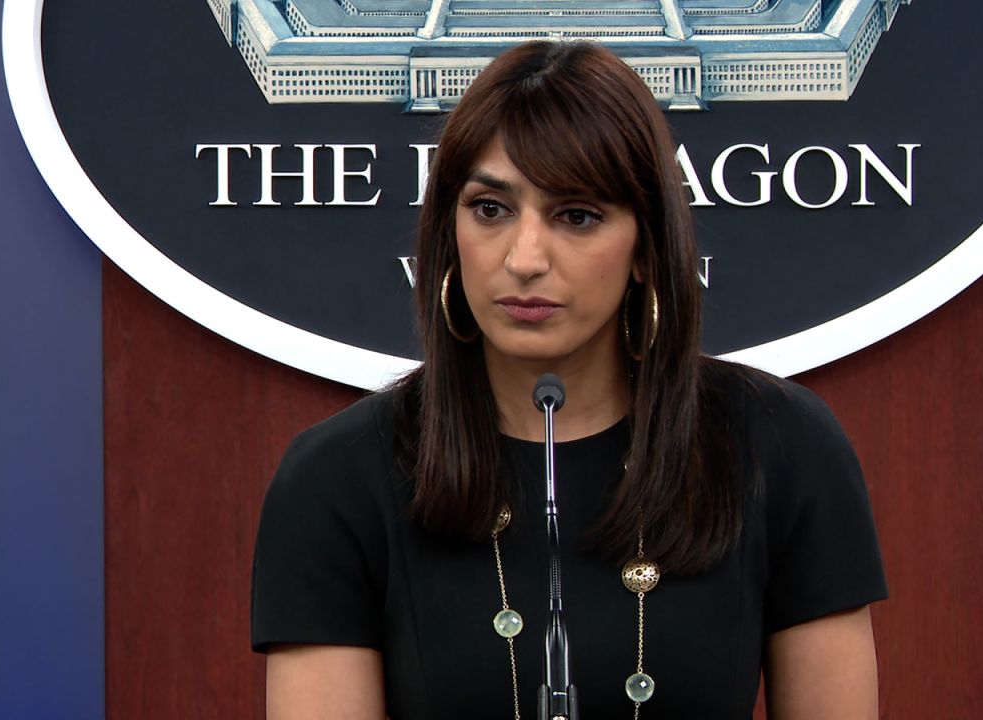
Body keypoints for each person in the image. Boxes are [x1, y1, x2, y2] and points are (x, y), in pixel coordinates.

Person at [251, 41, 886, 720]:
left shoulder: (780, 447)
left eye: (576, 216)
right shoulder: (337, 477)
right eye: (491, 209)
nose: (525, 259)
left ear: (646, 247)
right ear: (448, 229)